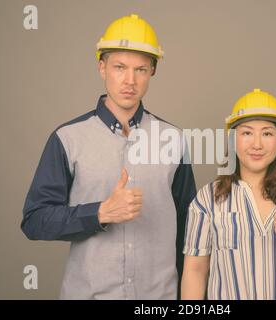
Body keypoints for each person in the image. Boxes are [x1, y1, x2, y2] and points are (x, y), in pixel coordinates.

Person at [21, 14, 196, 299]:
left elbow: (189, 230)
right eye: (119, 67)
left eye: (140, 69)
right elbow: (34, 220)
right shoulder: (67, 139)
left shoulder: (174, 140)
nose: (130, 80)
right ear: (102, 68)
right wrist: (99, 213)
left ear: (153, 70)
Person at [181, 88, 276, 300]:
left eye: (267, 133)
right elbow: (195, 271)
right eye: (247, 132)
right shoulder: (207, 199)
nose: (257, 144)